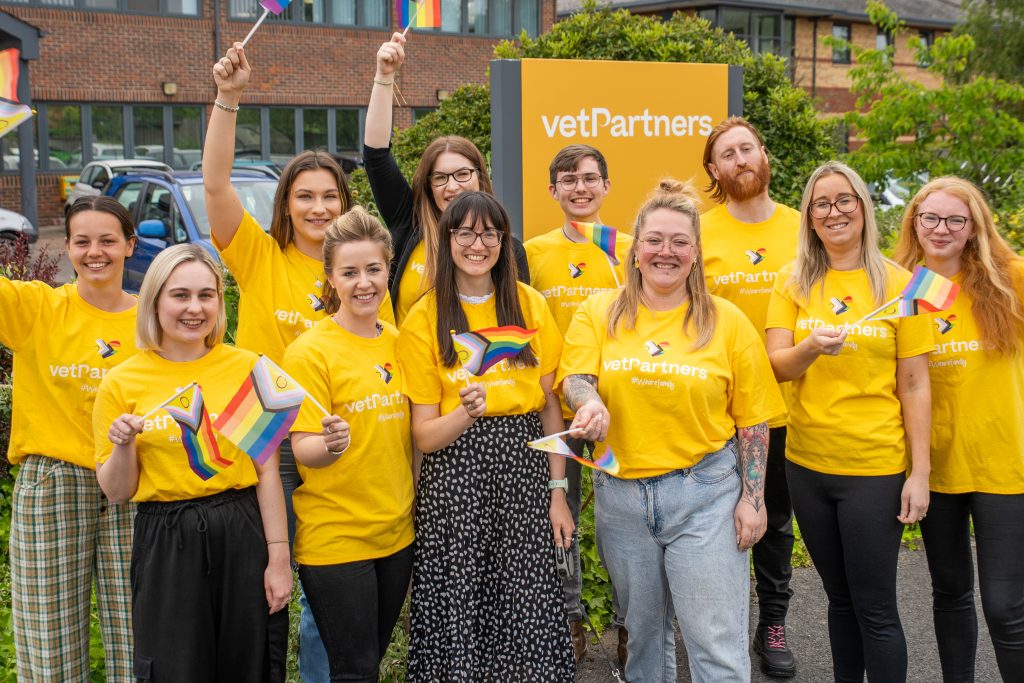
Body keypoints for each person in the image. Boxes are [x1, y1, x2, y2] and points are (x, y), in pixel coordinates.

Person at [203, 42, 394, 679]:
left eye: (330, 197)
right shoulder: (258, 257)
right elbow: (216, 182)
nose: (318, 208)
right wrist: (229, 99)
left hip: (347, 447)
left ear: (346, 204)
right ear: (285, 203)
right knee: (272, 583)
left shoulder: (364, 275)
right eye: (305, 196)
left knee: (328, 604)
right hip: (271, 446)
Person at [559, 179, 785, 683]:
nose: (667, 251)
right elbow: (575, 377)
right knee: (642, 640)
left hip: (706, 494)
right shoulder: (599, 311)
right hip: (621, 497)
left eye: (680, 241)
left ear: (696, 253)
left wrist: (754, 498)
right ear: (636, 248)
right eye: (655, 239)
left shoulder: (726, 322)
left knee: (715, 644)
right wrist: (589, 400)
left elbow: (753, 419)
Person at [765, 161, 933, 683]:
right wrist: (810, 348)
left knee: (876, 608)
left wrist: (920, 473)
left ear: (863, 209)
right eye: (822, 204)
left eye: (845, 201)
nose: (834, 211)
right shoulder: (792, 281)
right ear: (810, 219)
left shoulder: (902, 285)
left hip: (874, 468)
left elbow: (915, 385)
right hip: (807, 465)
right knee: (838, 601)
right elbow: (778, 365)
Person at [396, 191, 574, 680]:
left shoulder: (530, 305)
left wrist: (558, 492)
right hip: (455, 479)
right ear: (447, 240)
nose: (478, 243)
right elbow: (425, 436)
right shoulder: (424, 318)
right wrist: (466, 415)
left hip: (523, 471)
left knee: (524, 593)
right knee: (463, 596)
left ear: (503, 240)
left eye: (489, 233)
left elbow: (551, 406)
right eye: (466, 232)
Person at [93, 244, 291, 682]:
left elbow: (266, 472)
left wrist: (278, 559)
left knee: (249, 662)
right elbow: (117, 491)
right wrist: (123, 445)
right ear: (155, 300)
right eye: (180, 295)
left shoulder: (248, 368)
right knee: (174, 667)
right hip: (166, 538)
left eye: (206, 295)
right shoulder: (121, 382)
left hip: (241, 529)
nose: (194, 308)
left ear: (220, 302)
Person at [893, 177, 1024, 682]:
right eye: (930, 218)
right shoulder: (901, 285)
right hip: (935, 467)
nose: (941, 229)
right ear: (914, 223)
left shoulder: (1008, 279)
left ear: (974, 229)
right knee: (949, 595)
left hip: (1005, 466)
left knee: (1005, 606)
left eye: (955, 220)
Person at [4, 196, 138, 682]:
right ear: (68, 247)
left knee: (140, 632)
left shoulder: (153, 321)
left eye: (107, 240)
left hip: (135, 484)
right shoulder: (37, 307)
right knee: (48, 641)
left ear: (129, 245)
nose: (94, 252)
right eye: (82, 241)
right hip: (54, 484)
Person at [282, 207, 415, 682]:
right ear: (331, 278)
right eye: (350, 272)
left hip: (397, 535)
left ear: (388, 270)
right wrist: (331, 445)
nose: (364, 283)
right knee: (355, 669)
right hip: (336, 539)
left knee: (368, 665)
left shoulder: (401, 343)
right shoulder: (309, 352)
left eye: (374, 269)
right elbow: (302, 450)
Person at [700, 116, 800, 677]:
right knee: (717, 521)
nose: (739, 160)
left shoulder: (800, 226)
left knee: (775, 521)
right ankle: (723, 627)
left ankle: (774, 622)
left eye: (746, 149)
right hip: (717, 409)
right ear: (714, 171)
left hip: (787, 406)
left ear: (763, 156)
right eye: (727, 155)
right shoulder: (701, 230)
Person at [524, 143, 631, 664]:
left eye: (590, 178)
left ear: (607, 186)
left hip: (624, 412)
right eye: (568, 180)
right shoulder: (532, 252)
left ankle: (631, 623)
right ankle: (568, 621)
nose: (580, 188)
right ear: (553, 191)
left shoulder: (628, 250)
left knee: (624, 527)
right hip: (554, 415)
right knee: (559, 517)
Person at [364, 32, 529, 325]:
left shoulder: (506, 247)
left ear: (481, 176)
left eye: (462, 174)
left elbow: (518, 321)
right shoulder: (410, 223)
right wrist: (384, 77)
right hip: (405, 368)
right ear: (428, 186)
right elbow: (376, 156)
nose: (452, 186)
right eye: (440, 178)